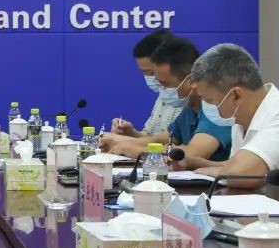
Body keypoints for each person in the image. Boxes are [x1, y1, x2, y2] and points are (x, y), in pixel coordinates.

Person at [176, 43, 279, 221]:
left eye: (209, 100)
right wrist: (197, 163)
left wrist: (214, 171)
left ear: (236, 95)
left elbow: (239, 174)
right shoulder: (241, 120)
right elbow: (237, 165)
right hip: (265, 221)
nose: (207, 108)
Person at [98, 37, 231, 162]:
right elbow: (159, 141)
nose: (161, 89)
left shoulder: (216, 110)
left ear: (190, 80)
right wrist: (116, 141)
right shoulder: (190, 110)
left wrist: (132, 150)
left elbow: (192, 153)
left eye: (164, 84)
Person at [111, 29, 183, 138]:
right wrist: (131, 134)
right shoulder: (163, 94)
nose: (154, 78)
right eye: (144, 72)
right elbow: (150, 136)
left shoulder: (189, 100)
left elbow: (172, 143)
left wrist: (125, 143)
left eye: (152, 72)